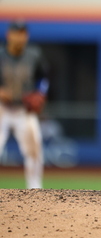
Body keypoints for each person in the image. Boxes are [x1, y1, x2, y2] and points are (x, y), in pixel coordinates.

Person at [0, 20, 49, 189]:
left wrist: (40, 93)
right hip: (2, 109)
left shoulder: (34, 55)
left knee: (34, 152)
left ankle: (35, 192)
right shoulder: (1, 55)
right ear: (8, 35)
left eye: (22, 33)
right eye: (16, 33)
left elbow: (43, 79)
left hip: (23, 109)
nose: (19, 37)